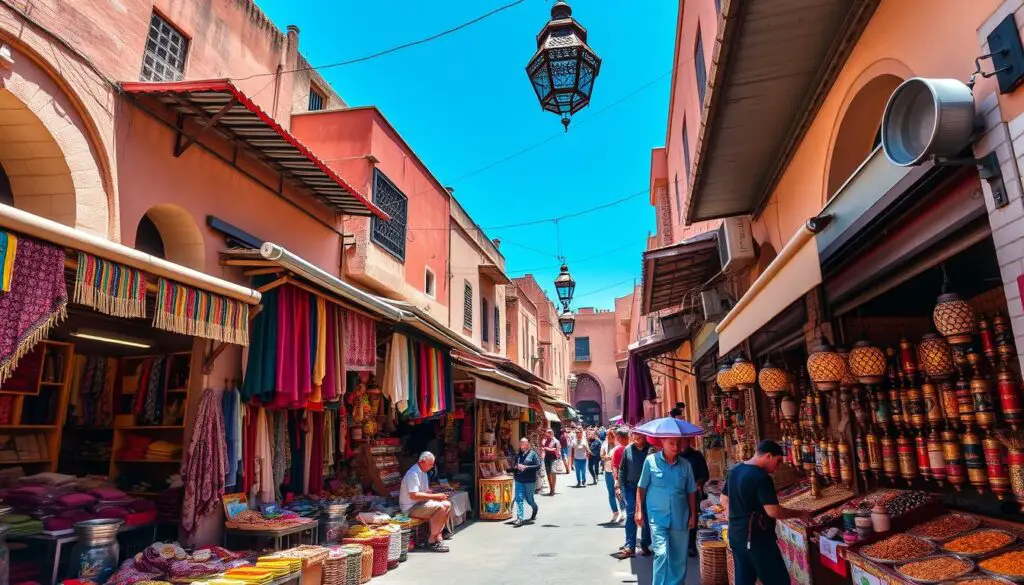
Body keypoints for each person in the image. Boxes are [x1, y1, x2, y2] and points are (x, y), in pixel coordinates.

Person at [721, 440, 812, 585]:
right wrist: (800, 514)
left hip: (736, 535)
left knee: (744, 579)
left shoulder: (735, 470)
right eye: (778, 462)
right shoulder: (761, 477)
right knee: (778, 580)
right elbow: (773, 511)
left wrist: (731, 513)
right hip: (757, 538)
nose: (777, 468)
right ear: (768, 456)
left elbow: (724, 498)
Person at [637, 436, 698, 585]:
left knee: (678, 557)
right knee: (661, 553)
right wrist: (638, 510)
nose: (676, 447)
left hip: (680, 516)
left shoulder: (686, 465)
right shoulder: (650, 461)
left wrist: (693, 515)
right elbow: (641, 487)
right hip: (657, 516)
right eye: (671, 443)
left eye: (678, 443)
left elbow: (691, 491)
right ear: (662, 442)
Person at [399, 452, 451, 552]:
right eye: (430, 464)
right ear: (422, 462)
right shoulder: (413, 473)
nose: (431, 467)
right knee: (440, 507)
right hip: (410, 508)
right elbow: (414, 495)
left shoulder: (423, 472)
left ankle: (437, 535)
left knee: (447, 504)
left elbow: (424, 491)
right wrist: (435, 496)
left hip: (419, 504)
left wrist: (436, 492)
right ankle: (432, 540)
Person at [616, 431, 652, 557]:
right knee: (631, 514)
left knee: (646, 515)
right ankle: (630, 546)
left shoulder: (651, 450)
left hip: (647, 488)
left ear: (645, 436)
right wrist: (620, 486)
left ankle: (645, 544)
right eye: (635, 434)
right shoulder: (627, 450)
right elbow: (622, 469)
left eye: (640, 434)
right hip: (630, 488)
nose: (637, 437)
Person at [680, 436, 710, 556]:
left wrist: (698, 483)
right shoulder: (674, 456)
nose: (681, 444)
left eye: (683, 441)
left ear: (689, 442)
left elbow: (705, 474)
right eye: (679, 441)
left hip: (693, 492)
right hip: (678, 492)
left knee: (692, 517)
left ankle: (691, 545)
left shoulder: (697, 455)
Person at [512, 438, 541, 527]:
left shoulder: (533, 454)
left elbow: (538, 466)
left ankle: (535, 508)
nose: (521, 445)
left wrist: (526, 467)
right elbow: (515, 465)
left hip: (529, 481)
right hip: (519, 480)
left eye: (523, 443)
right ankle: (519, 518)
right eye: (520, 443)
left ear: (528, 444)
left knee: (529, 500)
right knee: (519, 499)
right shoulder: (518, 454)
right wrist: (515, 467)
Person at [601, 429, 622, 523]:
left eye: (612, 436)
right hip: (608, 471)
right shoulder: (604, 445)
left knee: (619, 492)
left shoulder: (618, 445)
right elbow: (601, 455)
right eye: (608, 436)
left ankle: (623, 511)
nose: (610, 438)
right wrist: (604, 457)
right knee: (611, 493)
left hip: (618, 472)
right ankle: (615, 512)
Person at [540, 429, 560, 496]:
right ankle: (551, 488)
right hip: (547, 458)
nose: (548, 434)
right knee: (548, 474)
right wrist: (543, 444)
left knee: (553, 472)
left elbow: (555, 450)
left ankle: (553, 489)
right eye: (547, 433)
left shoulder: (556, 441)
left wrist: (545, 448)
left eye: (549, 433)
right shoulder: (545, 440)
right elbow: (542, 447)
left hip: (554, 458)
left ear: (552, 433)